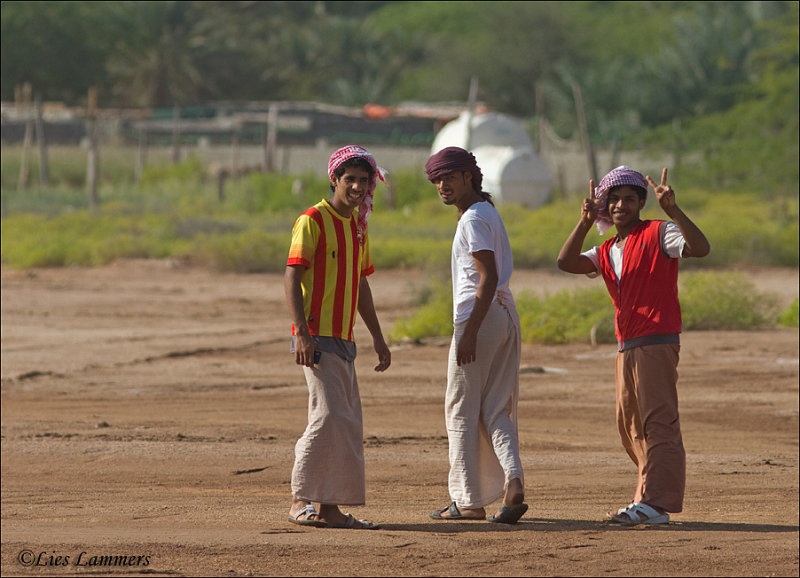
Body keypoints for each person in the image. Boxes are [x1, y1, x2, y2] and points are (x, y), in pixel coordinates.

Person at [557, 165, 710, 525]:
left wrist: (673, 210)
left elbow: (700, 248)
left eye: (628, 199)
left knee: (658, 422)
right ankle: (645, 497)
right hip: (627, 344)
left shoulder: (660, 233)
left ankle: (657, 504)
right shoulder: (609, 248)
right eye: (613, 200)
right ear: (604, 207)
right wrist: (583, 221)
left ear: (642, 203)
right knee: (631, 424)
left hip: (656, 340)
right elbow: (565, 262)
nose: (620, 206)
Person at [284, 145, 392, 530]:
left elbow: (361, 285)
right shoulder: (312, 219)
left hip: (345, 341)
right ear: (335, 180)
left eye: (364, 181)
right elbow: (293, 277)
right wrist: (302, 334)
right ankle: (300, 498)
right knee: (327, 416)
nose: (358, 187)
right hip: (316, 338)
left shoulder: (358, 228)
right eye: (351, 180)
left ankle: (330, 508)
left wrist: (378, 338)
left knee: (345, 422)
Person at [425, 146, 528, 525]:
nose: (442, 185)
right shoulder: (487, 212)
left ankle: (467, 501)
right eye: (437, 179)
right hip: (502, 315)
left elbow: (485, 278)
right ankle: (513, 479)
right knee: (495, 407)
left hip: (479, 318)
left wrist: (467, 333)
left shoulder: (472, 218)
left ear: (469, 176)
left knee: (461, 409)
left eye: (449, 177)